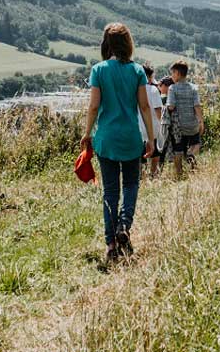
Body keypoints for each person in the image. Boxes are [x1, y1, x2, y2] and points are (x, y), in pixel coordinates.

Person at [82, 23, 155, 262]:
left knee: (110, 191)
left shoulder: (99, 70)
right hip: (131, 137)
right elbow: (144, 106)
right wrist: (151, 138)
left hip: (106, 139)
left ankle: (111, 244)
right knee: (131, 184)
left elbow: (94, 106)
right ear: (128, 44)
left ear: (106, 44)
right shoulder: (137, 71)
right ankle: (124, 225)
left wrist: (87, 133)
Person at [163, 61, 203, 177]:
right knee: (196, 144)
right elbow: (197, 106)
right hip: (192, 125)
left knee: (178, 149)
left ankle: (179, 173)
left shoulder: (172, 88)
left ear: (179, 73)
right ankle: (192, 161)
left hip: (179, 126)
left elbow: (171, 106)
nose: (172, 76)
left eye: (173, 73)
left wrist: (165, 109)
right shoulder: (193, 88)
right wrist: (201, 122)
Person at [142, 63, 166, 177]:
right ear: (149, 76)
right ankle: (153, 175)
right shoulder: (153, 90)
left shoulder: (133, 90)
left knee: (140, 157)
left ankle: (141, 177)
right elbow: (158, 110)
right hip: (152, 128)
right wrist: (163, 123)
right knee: (155, 155)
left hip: (137, 128)